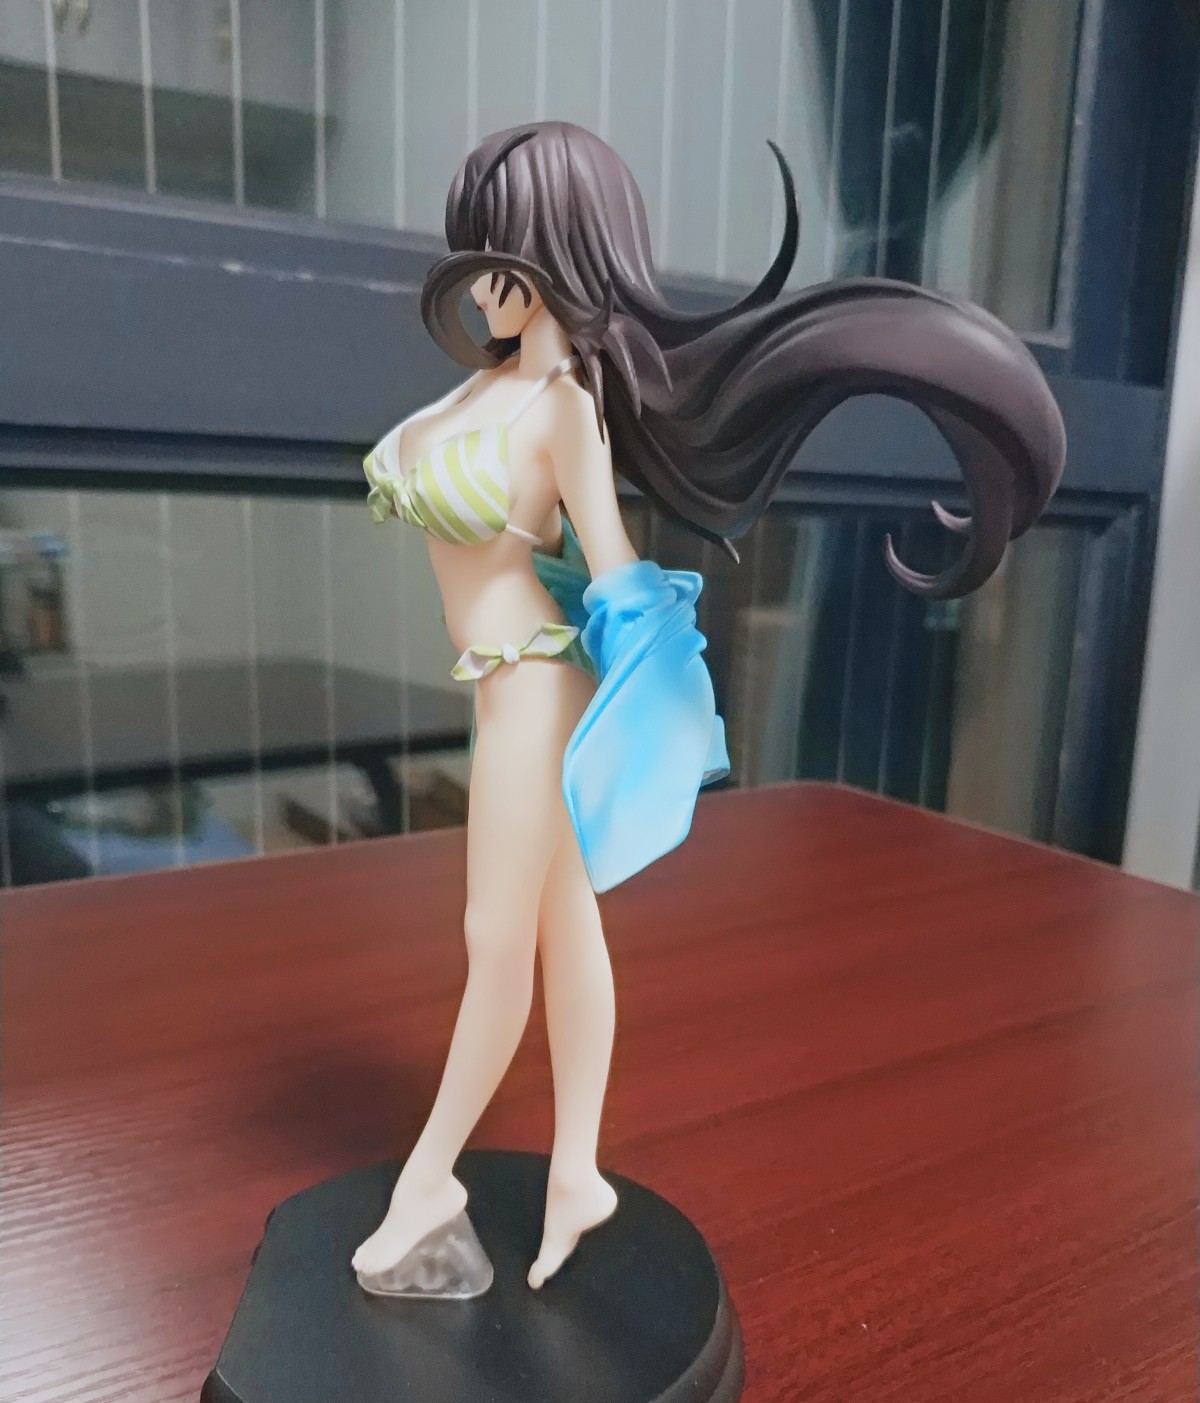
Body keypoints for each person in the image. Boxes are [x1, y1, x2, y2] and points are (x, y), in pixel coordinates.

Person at [351, 121, 1066, 1295]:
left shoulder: (563, 409)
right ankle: (577, 1172)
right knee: (562, 926)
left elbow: (614, 561)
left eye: (501, 253)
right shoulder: (486, 385)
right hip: (499, 688)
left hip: (538, 689)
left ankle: (429, 1180)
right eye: (471, 253)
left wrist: (662, 689)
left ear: (558, 253)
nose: (480, 283)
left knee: (494, 941)